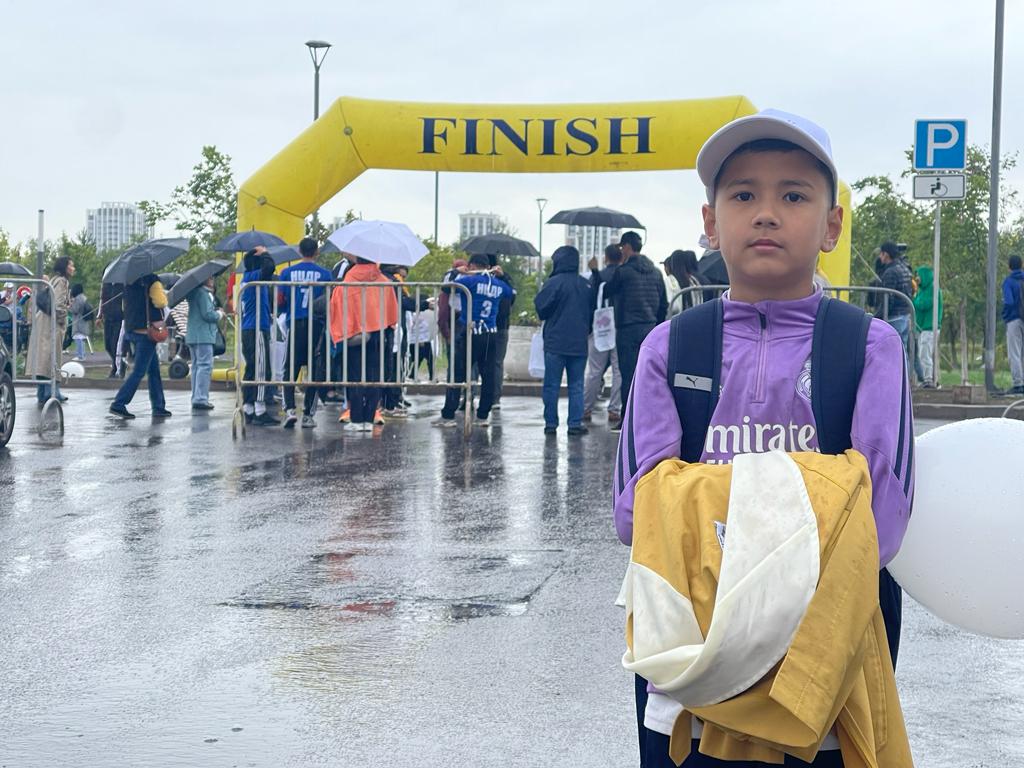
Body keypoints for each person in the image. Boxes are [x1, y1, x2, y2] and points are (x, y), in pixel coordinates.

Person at [614, 109, 913, 766]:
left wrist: (706, 504)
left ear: (832, 224)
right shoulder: (671, 346)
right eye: (743, 194)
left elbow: (880, 524)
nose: (767, 212)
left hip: (825, 658)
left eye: (794, 195)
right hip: (692, 660)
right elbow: (637, 512)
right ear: (711, 221)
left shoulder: (869, 347)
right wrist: (814, 492)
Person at [593, 230, 667, 430]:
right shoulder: (655, 272)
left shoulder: (623, 272)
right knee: (649, 376)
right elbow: (663, 304)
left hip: (627, 329)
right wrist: (655, 325)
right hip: (650, 329)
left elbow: (607, 290)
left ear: (626, 247)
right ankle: (647, 420)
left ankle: (627, 420)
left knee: (628, 376)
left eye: (621, 247)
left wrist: (596, 274)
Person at [433, 254, 513, 428]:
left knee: (457, 374)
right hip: (490, 332)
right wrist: (502, 276)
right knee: (488, 375)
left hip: (469, 331)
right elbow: (511, 293)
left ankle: (448, 415)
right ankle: (483, 415)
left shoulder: (470, 282)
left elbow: (446, 287)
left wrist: (456, 271)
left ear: (472, 266)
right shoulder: (498, 285)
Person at [329, 257, 398, 431]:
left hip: (355, 335)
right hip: (378, 335)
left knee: (355, 376)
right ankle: (369, 418)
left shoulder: (349, 280)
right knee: (375, 376)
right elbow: (391, 311)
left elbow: (337, 307)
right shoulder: (383, 281)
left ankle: (357, 419)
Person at [534, 246, 592, 435]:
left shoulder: (553, 283)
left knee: (551, 384)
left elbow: (542, 309)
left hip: (555, 342)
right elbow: (592, 314)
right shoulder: (586, 285)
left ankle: (551, 423)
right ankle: (574, 424)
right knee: (576, 385)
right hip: (579, 343)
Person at [279, 237, 333, 428]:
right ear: (316, 252)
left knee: (290, 368)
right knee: (315, 369)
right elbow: (330, 300)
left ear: (299, 251)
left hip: (295, 322)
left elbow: (280, 299)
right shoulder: (325, 275)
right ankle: (309, 414)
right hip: (316, 324)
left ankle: (290, 409)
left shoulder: (287, 273)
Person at [109, 273, 171, 419]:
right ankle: (119, 403)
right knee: (139, 371)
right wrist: (163, 293)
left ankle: (159, 406)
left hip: (132, 329)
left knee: (154, 370)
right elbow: (160, 302)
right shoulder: (152, 280)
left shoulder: (129, 280)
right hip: (147, 332)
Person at [239, 246, 280, 426]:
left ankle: (248, 407)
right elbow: (269, 268)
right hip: (256, 329)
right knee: (262, 370)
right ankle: (260, 409)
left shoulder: (246, 279)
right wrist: (264, 253)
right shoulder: (253, 277)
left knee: (250, 369)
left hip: (248, 329)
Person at [584, 243, 623, 424]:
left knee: (595, 371)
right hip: (620, 327)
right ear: (620, 258)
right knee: (618, 370)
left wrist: (594, 272)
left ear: (606, 258)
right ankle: (614, 408)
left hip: (599, 329)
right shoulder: (622, 275)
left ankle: (586, 408)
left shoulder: (597, 277)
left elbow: (591, 298)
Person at [26, 256, 73, 403]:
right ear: (65, 267)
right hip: (51, 323)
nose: (73, 268)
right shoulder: (62, 281)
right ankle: (52, 391)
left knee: (43, 357)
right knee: (52, 357)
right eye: (71, 265)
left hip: (43, 320)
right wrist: (62, 320)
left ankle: (42, 392)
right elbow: (58, 305)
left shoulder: (54, 279)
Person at [185, 274, 224, 412]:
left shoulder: (194, 293)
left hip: (192, 335)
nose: (213, 280)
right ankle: (201, 398)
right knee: (205, 366)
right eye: (211, 278)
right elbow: (208, 315)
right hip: (204, 335)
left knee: (196, 367)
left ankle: (196, 397)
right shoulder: (203, 294)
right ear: (204, 280)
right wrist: (219, 314)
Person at [487, 253, 516, 410]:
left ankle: (472, 396)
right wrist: (504, 277)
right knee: (497, 363)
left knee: (479, 362)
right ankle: (495, 398)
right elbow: (512, 296)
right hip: (501, 326)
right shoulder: (505, 280)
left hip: (485, 326)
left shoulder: (481, 279)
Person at [876, 241, 915, 357]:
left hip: (894, 318)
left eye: (881, 254)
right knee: (903, 352)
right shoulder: (905, 269)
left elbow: (888, 300)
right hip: (905, 316)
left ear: (886, 255)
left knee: (893, 354)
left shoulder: (890, 273)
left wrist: (876, 317)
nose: (879, 257)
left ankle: (896, 375)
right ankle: (905, 375)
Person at [912, 264, 943, 387]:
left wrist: (913, 300)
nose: (917, 278)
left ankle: (928, 379)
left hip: (930, 327)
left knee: (925, 353)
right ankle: (925, 378)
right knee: (922, 352)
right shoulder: (923, 290)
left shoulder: (932, 289)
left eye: (918, 275)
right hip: (923, 327)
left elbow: (923, 304)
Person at [663, 249, 713, 315]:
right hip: (698, 315)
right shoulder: (694, 280)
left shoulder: (670, 280)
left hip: (675, 319)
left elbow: (673, 307)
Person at [1002, 253, 1024, 395]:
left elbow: (1008, 302)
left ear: (1009, 266)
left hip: (1014, 319)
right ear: (1021, 265)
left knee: (1014, 352)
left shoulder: (1008, 282)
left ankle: (1018, 384)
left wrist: (1005, 314)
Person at [98, 282, 125, 377]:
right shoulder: (106, 285)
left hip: (119, 318)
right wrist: (99, 315)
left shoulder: (122, 285)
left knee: (115, 345)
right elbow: (102, 300)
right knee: (108, 345)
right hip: (107, 317)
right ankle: (116, 364)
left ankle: (118, 368)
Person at [68, 284, 93, 362]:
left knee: (78, 338)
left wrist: (69, 307)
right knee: (81, 338)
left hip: (79, 322)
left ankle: (80, 355)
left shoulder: (78, 299)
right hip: (83, 322)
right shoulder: (83, 297)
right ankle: (82, 355)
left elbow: (75, 310)